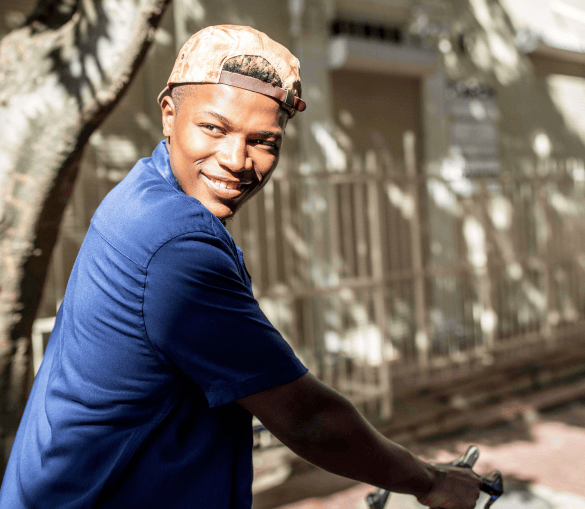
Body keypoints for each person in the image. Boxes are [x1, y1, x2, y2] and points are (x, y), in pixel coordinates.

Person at [0, 25, 482, 509]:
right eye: (214, 127)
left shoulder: (142, 192)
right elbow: (307, 417)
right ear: (170, 114)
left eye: (263, 141)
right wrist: (432, 483)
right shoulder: (176, 245)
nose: (235, 160)